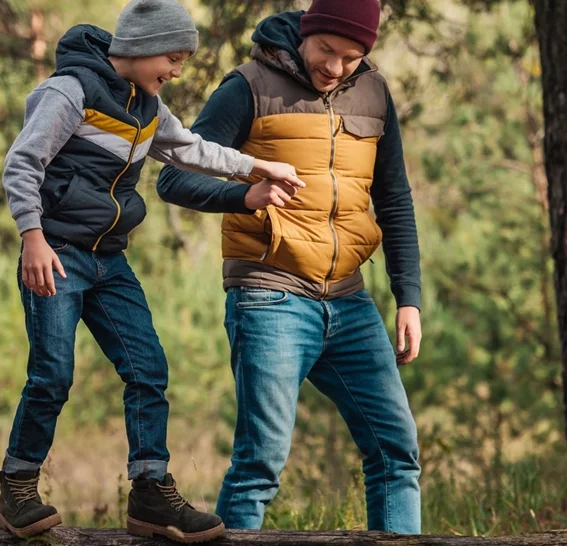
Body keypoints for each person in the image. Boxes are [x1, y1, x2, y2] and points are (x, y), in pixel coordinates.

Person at [0, 0, 304, 541]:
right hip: (57, 253)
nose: (177, 70)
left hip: (109, 259)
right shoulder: (70, 92)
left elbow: (192, 151)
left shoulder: (148, 108)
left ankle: (150, 492)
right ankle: (18, 485)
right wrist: (32, 237)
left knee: (147, 369)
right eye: (173, 57)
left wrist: (256, 168)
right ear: (141, 47)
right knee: (52, 375)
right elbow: (23, 163)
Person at [156, 0, 423, 534]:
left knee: (397, 452)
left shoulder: (374, 92)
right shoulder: (249, 86)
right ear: (307, 31)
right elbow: (174, 176)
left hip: (349, 299)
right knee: (260, 464)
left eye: (351, 57)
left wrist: (408, 298)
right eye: (326, 49)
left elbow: (394, 198)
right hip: (269, 296)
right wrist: (244, 195)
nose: (335, 66)